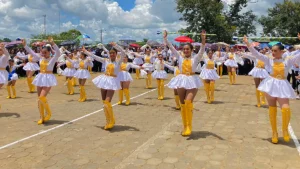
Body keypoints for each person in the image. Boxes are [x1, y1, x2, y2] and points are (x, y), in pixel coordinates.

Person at [243, 34, 300, 144]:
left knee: (285, 108)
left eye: (275, 51)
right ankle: (274, 132)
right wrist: (247, 43)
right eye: (272, 51)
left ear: (282, 51)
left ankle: (284, 130)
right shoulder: (269, 60)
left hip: (282, 85)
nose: (272, 53)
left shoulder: (288, 60)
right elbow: (256, 54)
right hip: (270, 85)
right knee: (272, 108)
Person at [164, 30, 206, 136]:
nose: (186, 50)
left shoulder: (195, 59)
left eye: (188, 49)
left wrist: (203, 40)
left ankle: (189, 126)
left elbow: (201, 51)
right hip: (181, 80)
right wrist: (165, 38)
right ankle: (185, 126)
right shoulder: (180, 57)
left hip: (192, 80)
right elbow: (171, 48)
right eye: (184, 49)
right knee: (182, 104)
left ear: (191, 50)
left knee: (188, 102)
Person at [83, 42, 126, 130]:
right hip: (104, 80)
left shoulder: (118, 62)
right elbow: (95, 57)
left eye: (113, 53)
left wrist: (115, 46)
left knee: (107, 102)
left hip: (112, 81)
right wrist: (86, 52)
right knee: (104, 103)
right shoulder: (106, 60)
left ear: (116, 54)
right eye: (110, 53)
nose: (112, 54)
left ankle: (111, 120)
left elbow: (123, 52)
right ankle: (108, 120)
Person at [22, 38, 61, 125]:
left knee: (42, 97)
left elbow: (58, 53)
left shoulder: (52, 59)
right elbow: (31, 52)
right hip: (40, 77)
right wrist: (25, 45)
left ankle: (49, 113)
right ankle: (41, 117)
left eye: (45, 52)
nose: (43, 54)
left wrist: (53, 43)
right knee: (39, 100)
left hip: (48, 78)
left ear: (49, 52)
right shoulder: (40, 58)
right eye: (42, 52)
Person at [0, 43, 10, 110]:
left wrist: (3, 47)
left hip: (2, 73)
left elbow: (7, 54)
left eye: (0, 50)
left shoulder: (4, 56)